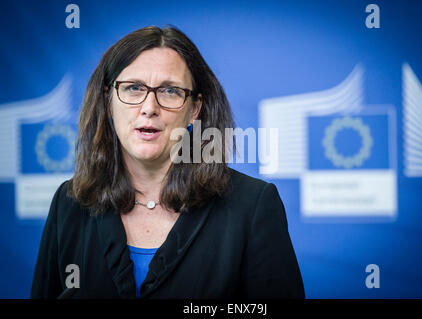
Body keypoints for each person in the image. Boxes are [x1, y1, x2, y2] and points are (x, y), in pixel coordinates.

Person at [30, 26, 305, 299]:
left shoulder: (252, 205)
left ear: (194, 109)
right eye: (134, 88)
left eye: (170, 91)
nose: (149, 107)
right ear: (108, 100)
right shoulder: (70, 202)